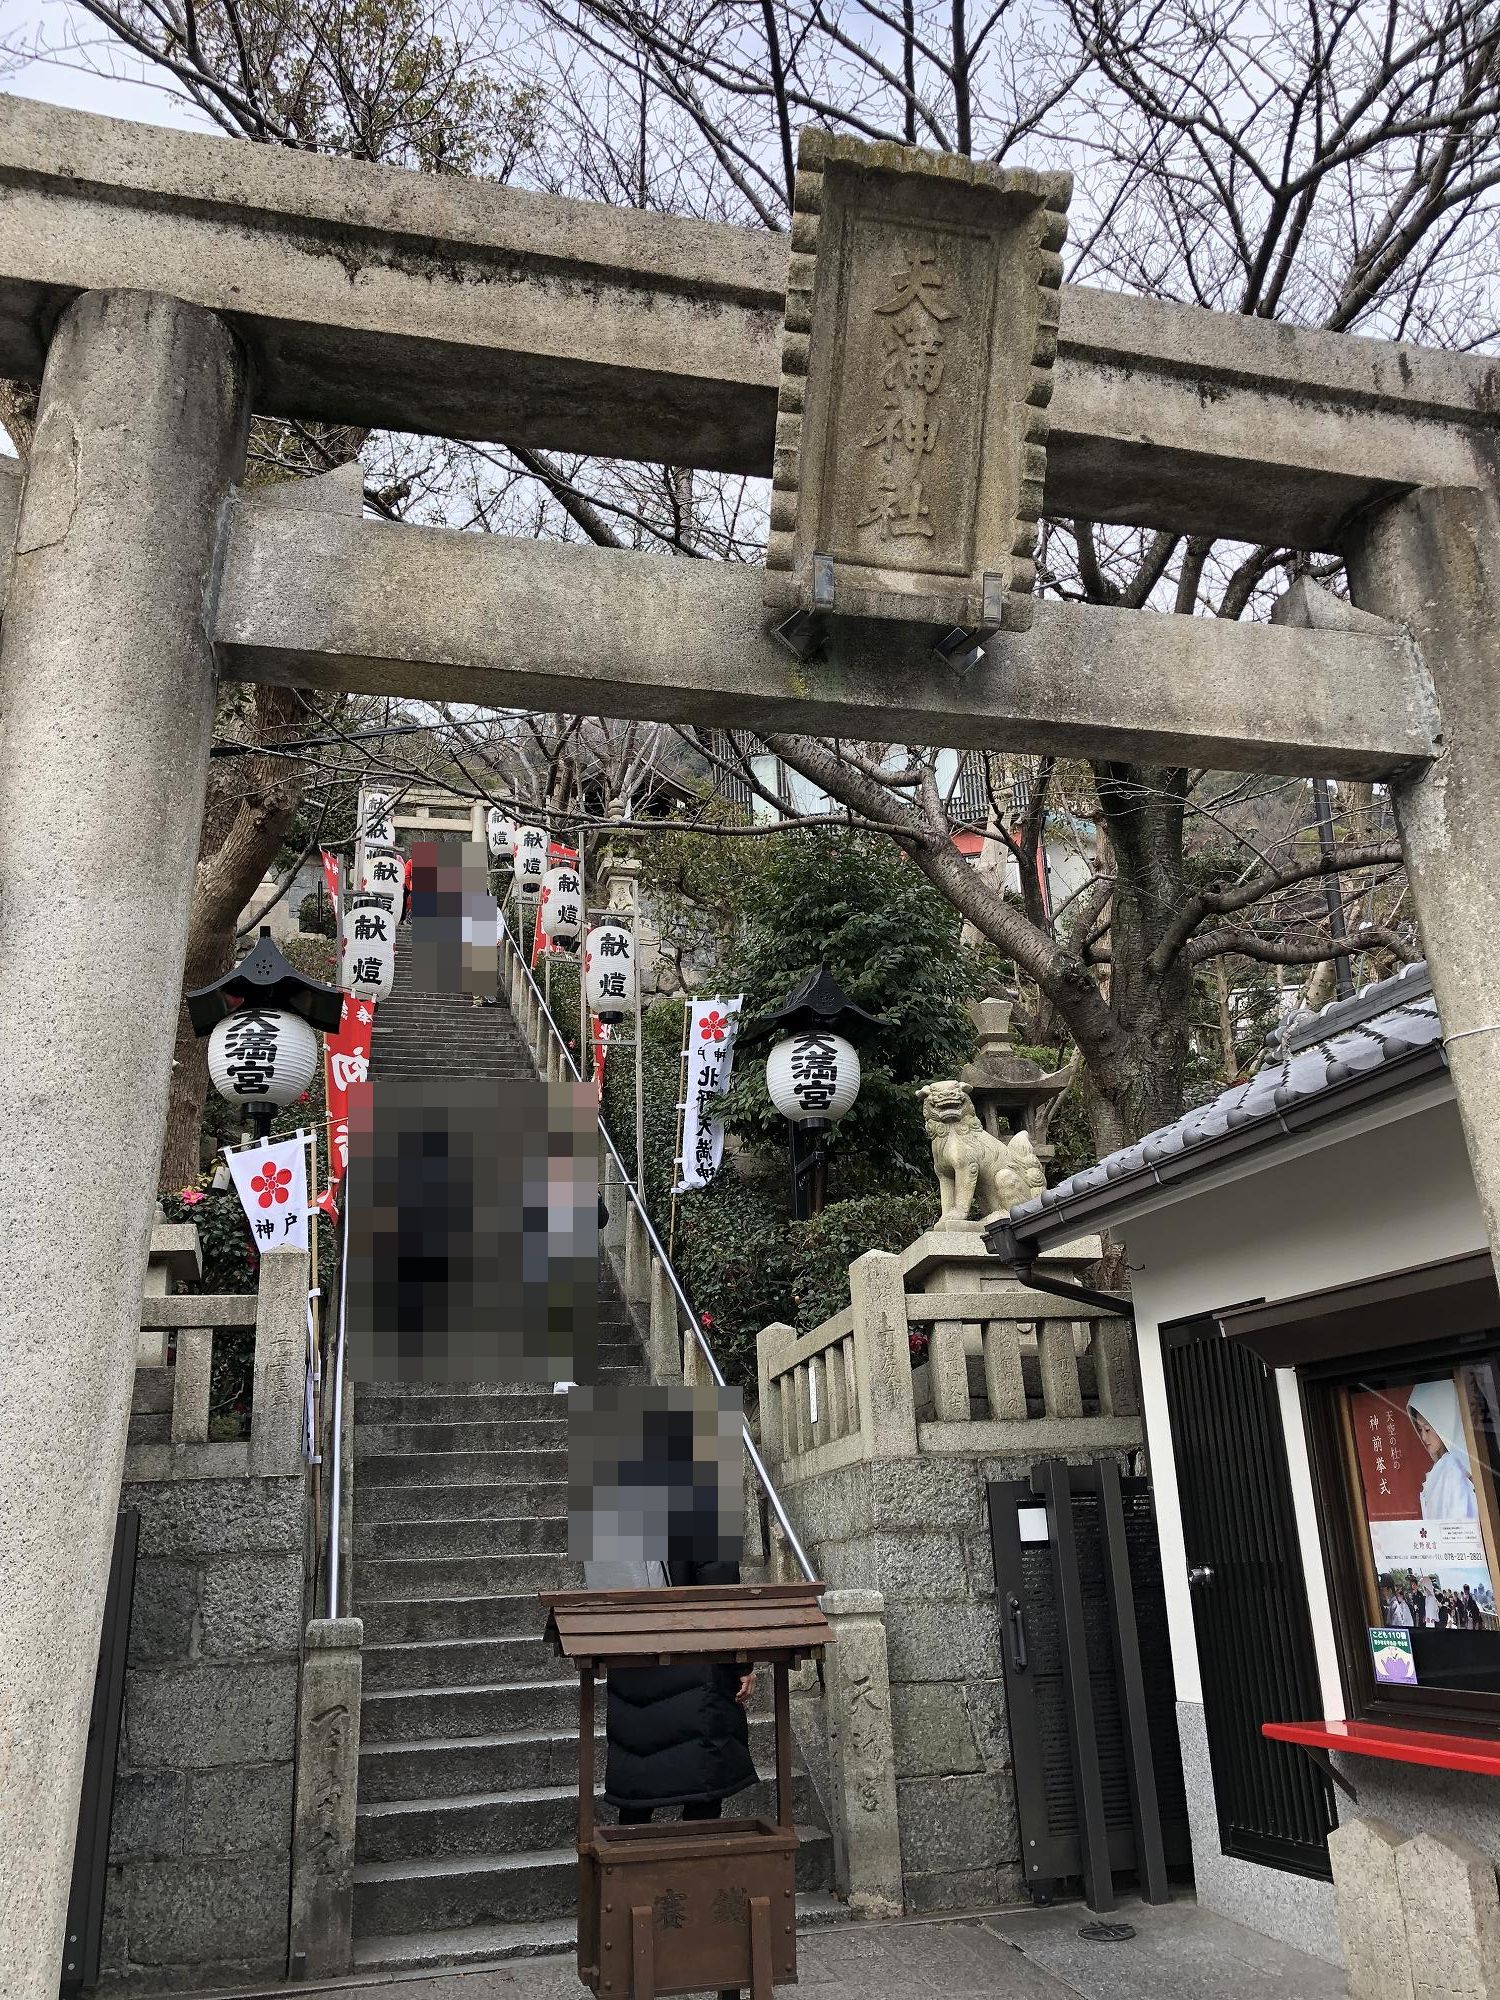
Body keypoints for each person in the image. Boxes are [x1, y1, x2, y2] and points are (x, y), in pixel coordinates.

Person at [1407, 1379, 1480, 1520]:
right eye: (1420, 1429)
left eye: (1427, 1429)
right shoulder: (1456, 1464)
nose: (1423, 1436)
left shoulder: (1451, 1466)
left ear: (1443, 1424)